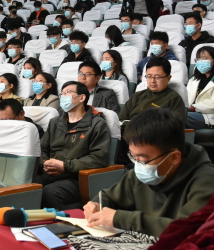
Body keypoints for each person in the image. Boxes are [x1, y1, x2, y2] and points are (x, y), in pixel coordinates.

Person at [84, 108, 214, 237]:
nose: (138, 165)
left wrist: (121, 219)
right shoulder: (140, 174)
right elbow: (108, 197)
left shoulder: (206, 181)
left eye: (143, 159)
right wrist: (96, 205)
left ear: (174, 157)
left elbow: (187, 230)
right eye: (133, 157)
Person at [40, 81, 111, 210]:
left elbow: (99, 158)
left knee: (50, 193)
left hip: (76, 177)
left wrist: (65, 166)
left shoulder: (97, 124)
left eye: (68, 92)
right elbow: (41, 149)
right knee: (23, 189)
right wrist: (45, 162)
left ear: (82, 97)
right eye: (62, 93)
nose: (63, 96)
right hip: (49, 174)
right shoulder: (55, 122)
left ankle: (71, 218)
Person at [119, 58, 186, 123]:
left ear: (168, 78)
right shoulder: (136, 96)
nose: (152, 81)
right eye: (149, 76)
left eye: (157, 77)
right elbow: (121, 120)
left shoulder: (174, 99)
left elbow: (176, 126)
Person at [187, 46, 214, 129]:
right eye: (198, 59)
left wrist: (193, 108)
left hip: (209, 116)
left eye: (204, 58)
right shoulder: (194, 79)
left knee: (179, 117)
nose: (201, 61)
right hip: (192, 112)